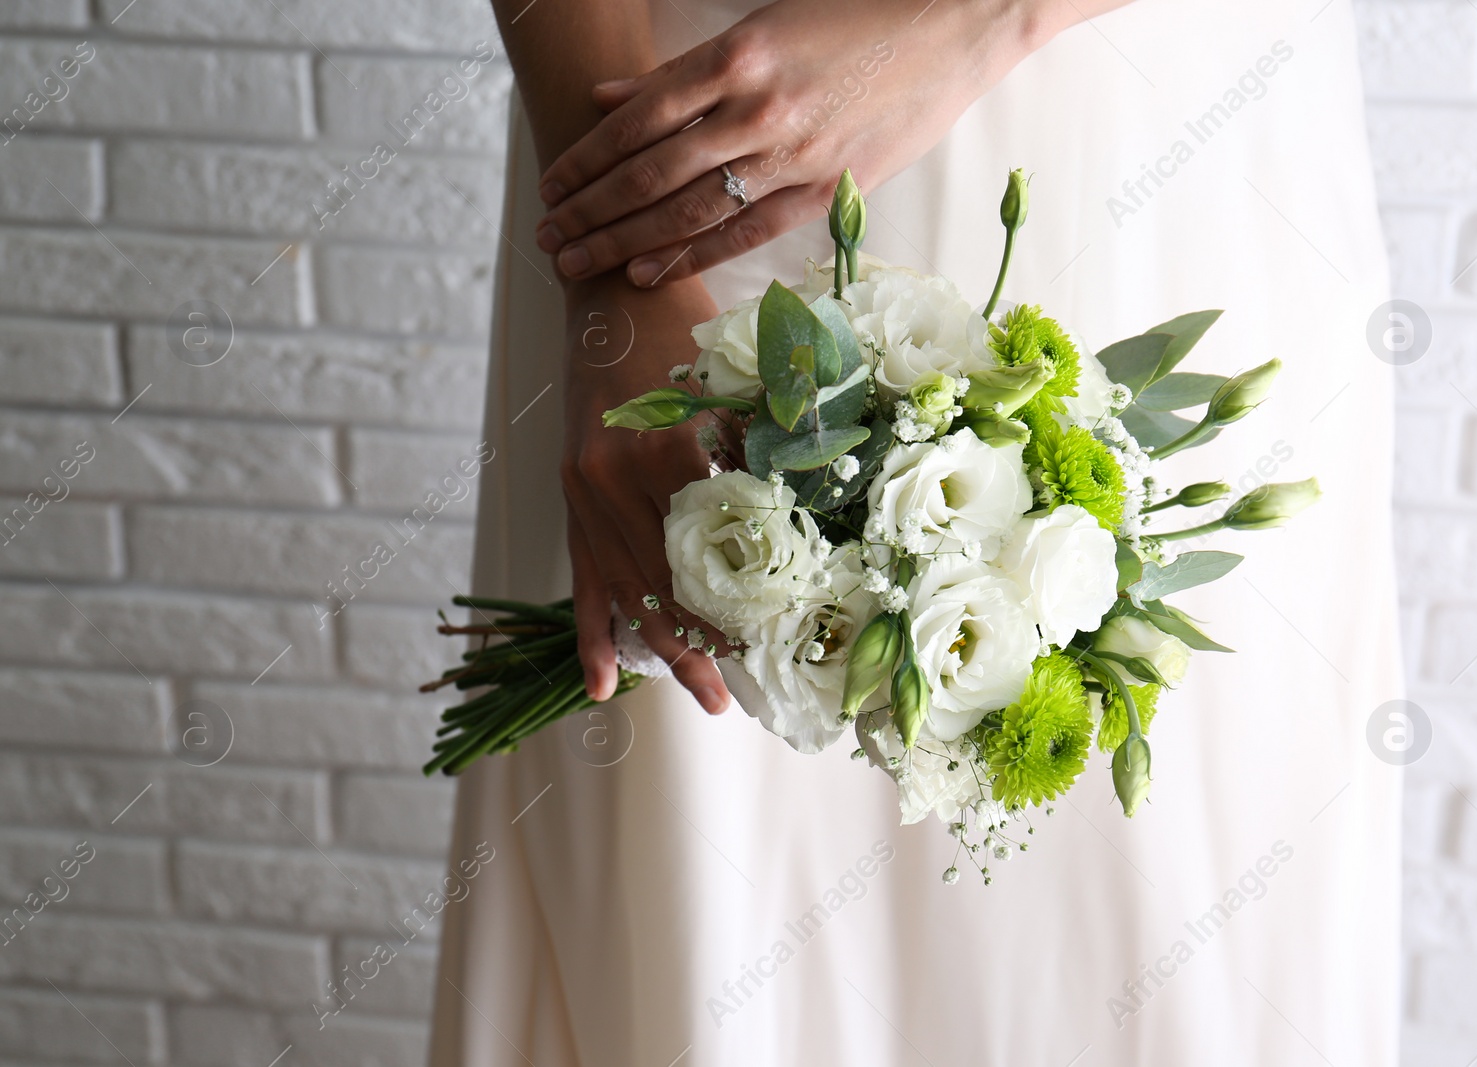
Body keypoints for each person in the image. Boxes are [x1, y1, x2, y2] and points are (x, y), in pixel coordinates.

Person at [429, 0, 1403, 1063]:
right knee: (688, 885)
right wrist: (616, 269)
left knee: (1175, 902)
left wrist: (982, 16)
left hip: (1159, 144)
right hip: (690, 160)